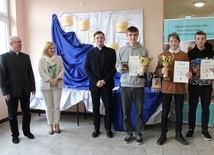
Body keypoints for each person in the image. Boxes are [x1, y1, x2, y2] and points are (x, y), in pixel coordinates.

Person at [155, 32, 192, 145]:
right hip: (167, 87)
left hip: (180, 88)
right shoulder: (163, 55)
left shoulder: (184, 55)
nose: (173, 43)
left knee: (179, 112)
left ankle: (178, 134)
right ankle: (163, 134)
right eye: (171, 41)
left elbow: (189, 69)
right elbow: (157, 70)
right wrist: (162, 71)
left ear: (179, 42)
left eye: (175, 41)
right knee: (165, 111)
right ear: (168, 42)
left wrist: (190, 73)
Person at [116, 26, 149, 145]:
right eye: (130, 35)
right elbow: (117, 67)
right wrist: (119, 68)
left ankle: (139, 133)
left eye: (135, 35)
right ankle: (128, 132)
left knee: (139, 111)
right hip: (125, 85)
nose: (133, 37)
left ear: (138, 35)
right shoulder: (121, 50)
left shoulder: (144, 50)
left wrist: (145, 69)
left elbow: (147, 67)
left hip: (139, 85)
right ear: (126, 36)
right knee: (126, 111)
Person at [0, 36, 36, 144]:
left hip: (25, 90)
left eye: (21, 42)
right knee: (12, 115)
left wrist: (33, 88)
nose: (21, 44)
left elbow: (30, 73)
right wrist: (5, 92)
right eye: (18, 42)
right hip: (11, 92)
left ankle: (27, 131)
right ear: (11, 44)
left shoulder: (26, 57)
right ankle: (15, 135)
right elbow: (1, 76)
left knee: (27, 113)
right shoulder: (3, 57)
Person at [85, 31, 116, 138]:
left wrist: (104, 80)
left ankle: (108, 128)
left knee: (108, 107)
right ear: (94, 40)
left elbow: (113, 69)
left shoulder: (111, 52)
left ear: (104, 39)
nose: (99, 40)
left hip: (107, 84)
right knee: (96, 107)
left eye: (101, 38)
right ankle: (96, 128)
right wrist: (96, 81)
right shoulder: (90, 53)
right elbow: (87, 68)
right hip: (94, 85)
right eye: (97, 38)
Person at [186, 31, 214, 141]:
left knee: (205, 108)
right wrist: (191, 71)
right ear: (195, 40)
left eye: (202, 38)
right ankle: (191, 128)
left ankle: (205, 130)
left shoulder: (211, 53)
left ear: (205, 39)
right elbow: (187, 69)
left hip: (207, 85)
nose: (200, 41)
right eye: (198, 38)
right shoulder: (190, 53)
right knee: (192, 107)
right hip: (193, 85)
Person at [38, 41, 65, 135]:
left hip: (57, 85)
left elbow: (62, 69)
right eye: (51, 48)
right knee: (48, 107)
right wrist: (51, 80)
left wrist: (57, 79)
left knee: (57, 106)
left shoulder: (59, 58)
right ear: (46, 49)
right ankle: (50, 124)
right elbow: (41, 71)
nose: (53, 50)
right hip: (45, 86)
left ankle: (57, 124)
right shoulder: (41, 59)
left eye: (54, 48)